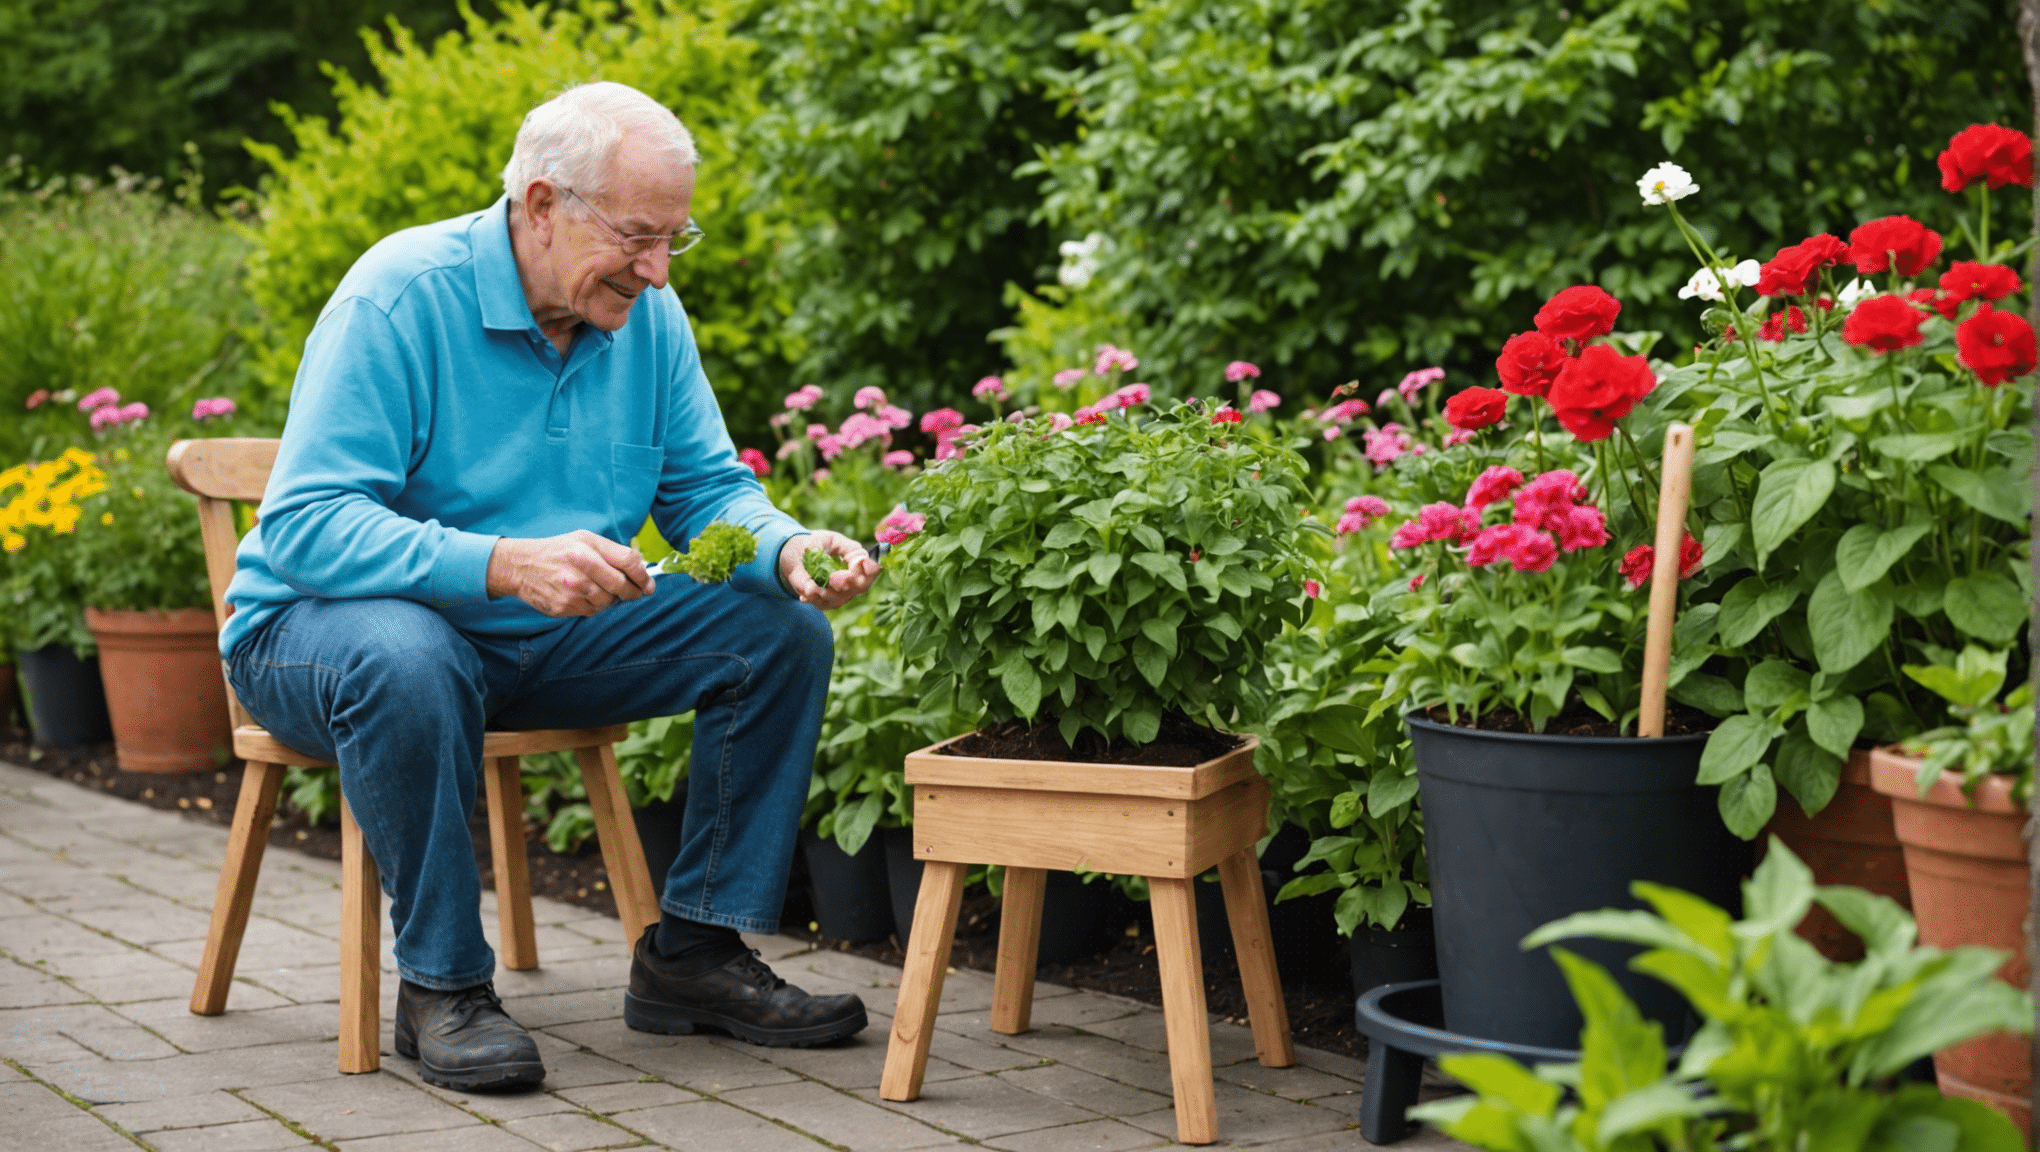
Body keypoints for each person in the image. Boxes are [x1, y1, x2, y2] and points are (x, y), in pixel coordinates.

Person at [219, 81, 879, 1091]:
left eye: (675, 239)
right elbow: (306, 524)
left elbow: (704, 489)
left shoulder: (644, 319)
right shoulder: (400, 295)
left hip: (529, 643)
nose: (658, 270)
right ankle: (442, 987)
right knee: (411, 654)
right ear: (542, 205)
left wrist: (786, 550)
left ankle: (692, 957)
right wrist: (500, 562)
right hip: (319, 641)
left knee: (776, 628)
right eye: (637, 236)